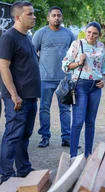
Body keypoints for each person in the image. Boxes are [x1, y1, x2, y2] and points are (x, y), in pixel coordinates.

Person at [0, 1, 40, 184]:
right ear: (18, 17)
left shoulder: (27, 37)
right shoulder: (10, 37)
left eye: (33, 13)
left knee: (24, 134)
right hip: (17, 98)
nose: (34, 17)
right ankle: (6, 175)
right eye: (29, 14)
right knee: (13, 134)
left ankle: (23, 169)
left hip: (30, 96)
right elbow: (3, 67)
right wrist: (14, 95)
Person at [62, 21, 105, 158]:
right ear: (85, 31)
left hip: (95, 87)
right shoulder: (77, 44)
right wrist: (79, 62)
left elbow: (104, 67)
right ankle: (73, 155)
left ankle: (88, 154)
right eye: (89, 32)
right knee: (77, 122)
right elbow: (65, 65)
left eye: (95, 33)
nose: (91, 35)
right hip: (80, 85)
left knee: (90, 122)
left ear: (99, 35)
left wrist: (103, 79)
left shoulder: (101, 46)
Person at [32, 6, 75, 148]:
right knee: (44, 108)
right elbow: (32, 54)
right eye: (54, 15)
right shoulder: (40, 33)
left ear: (62, 17)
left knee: (65, 109)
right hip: (45, 79)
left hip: (65, 79)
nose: (57, 18)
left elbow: (75, 54)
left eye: (59, 15)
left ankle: (66, 138)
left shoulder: (69, 34)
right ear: (48, 18)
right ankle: (45, 137)